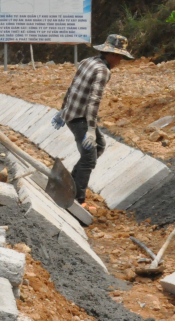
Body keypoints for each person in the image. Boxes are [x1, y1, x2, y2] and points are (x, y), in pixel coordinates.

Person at [51, 34, 133, 205]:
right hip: (79, 118)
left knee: (99, 146)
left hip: (72, 113)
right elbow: (94, 101)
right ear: (111, 54)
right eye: (119, 57)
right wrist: (90, 130)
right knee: (89, 158)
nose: (119, 61)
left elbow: (72, 87)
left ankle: (70, 183)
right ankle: (77, 199)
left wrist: (62, 110)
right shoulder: (103, 71)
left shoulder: (88, 61)